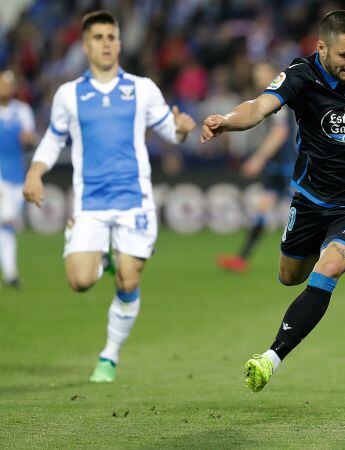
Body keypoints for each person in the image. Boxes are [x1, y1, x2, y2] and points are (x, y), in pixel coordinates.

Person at [201, 10, 345, 393]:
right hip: (311, 199)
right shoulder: (300, 75)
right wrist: (225, 119)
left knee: (329, 267)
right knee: (290, 276)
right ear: (321, 48)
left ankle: (271, 357)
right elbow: (258, 106)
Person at [23, 11, 195, 382]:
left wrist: (181, 130)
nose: (106, 43)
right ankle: (99, 253)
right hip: (91, 204)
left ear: (119, 43)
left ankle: (109, 356)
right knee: (80, 282)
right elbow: (53, 139)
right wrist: (36, 172)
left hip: (134, 200)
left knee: (128, 281)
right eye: (98, 37)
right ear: (85, 45)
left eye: (111, 37)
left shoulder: (142, 88)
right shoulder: (69, 95)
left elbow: (169, 130)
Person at [217, 62, 297, 273]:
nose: (259, 78)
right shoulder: (268, 100)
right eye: (256, 74)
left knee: (307, 210)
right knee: (263, 208)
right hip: (278, 164)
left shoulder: (279, 100)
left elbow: (280, 134)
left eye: (263, 74)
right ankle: (242, 258)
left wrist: (258, 159)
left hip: (289, 165)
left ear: (274, 75)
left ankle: (331, 249)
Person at [0, 70, 36, 288]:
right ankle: (11, 273)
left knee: (7, 225)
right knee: (6, 221)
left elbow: (30, 139)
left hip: (16, 175)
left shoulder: (22, 111)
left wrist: (28, 139)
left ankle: (11, 273)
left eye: (7, 84)